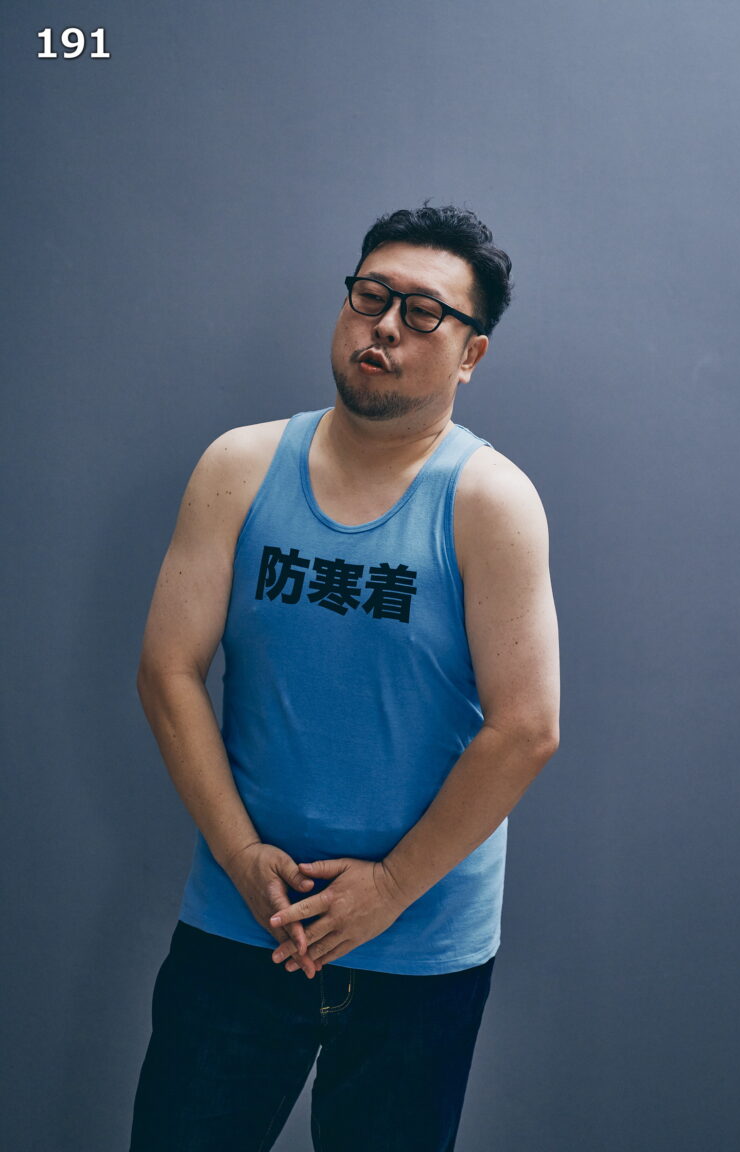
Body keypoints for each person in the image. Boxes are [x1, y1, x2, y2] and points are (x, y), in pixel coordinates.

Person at [129, 203, 560, 1152]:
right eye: (372, 295)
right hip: (245, 917)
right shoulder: (241, 467)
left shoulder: (489, 501)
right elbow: (168, 670)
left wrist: (391, 887)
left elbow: (526, 727)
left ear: (471, 354)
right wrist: (242, 857)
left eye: (424, 312)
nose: (388, 325)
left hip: (418, 944)